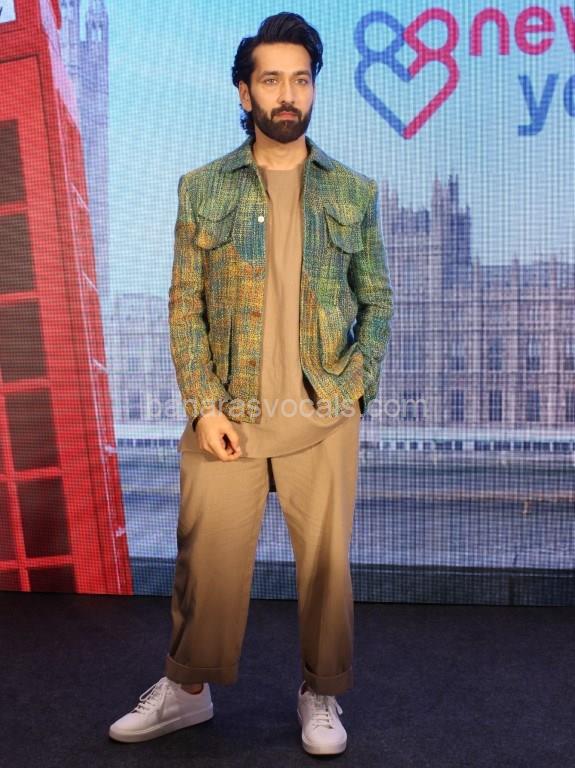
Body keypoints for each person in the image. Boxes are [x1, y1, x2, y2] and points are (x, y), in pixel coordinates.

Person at [109, 11, 393, 756]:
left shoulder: (353, 193)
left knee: (326, 571)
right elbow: (184, 306)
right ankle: (186, 691)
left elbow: (377, 300)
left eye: (300, 79)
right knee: (204, 562)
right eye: (271, 79)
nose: (287, 94)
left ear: (313, 90)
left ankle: (321, 691)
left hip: (320, 413)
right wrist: (203, 407)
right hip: (228, 413)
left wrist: (353, 388)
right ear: (244, 92)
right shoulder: (202, 189)